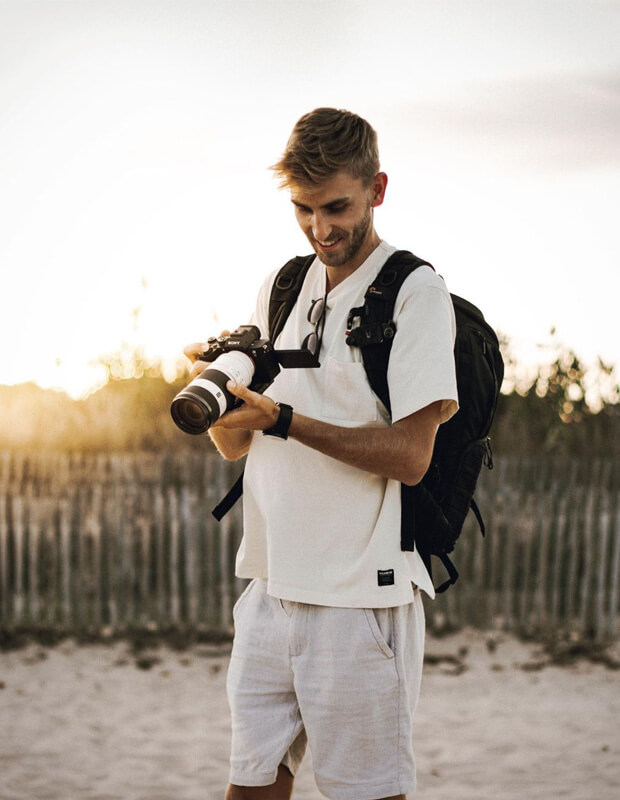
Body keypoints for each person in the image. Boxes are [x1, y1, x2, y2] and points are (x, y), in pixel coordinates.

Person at [185, 108, 458, 800]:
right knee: (250, 791)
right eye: (303, 209)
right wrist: (218, 392)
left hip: (361, 601)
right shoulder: (283, 287)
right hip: (270, 591)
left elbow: (410, 455)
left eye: (336, 207)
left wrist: (284, 420)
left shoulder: (415, 292)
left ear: (378, 188)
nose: (320, 228)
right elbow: (234, 445)